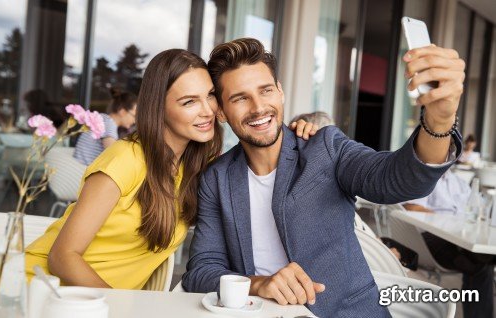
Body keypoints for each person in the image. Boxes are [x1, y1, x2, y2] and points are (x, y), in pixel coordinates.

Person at [182, 38, 465, 317]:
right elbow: (202, 270)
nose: (258, 107)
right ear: (220, 111)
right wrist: (260, 284)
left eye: (265, 90)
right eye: (240, 98)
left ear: (280, 92)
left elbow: (398, 179)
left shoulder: (324, 147)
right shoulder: (217, 178)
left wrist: (438, 122)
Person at [25, 49, 315, 289]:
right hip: (40, 291)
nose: (206, 111)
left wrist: (292, 136)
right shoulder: (126, 159)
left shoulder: (197, 170)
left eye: (210, 95)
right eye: (189, 101)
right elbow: (62, 257)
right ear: (159, 108)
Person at [403, 170, 494, 318]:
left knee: (483, 260)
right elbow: (412, 207)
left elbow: (479, 208)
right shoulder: (425, 177)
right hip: (429, 238)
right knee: (480, 266)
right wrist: (448, 220)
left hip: (461, 237)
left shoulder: (459, 182)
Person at [73, 88, 137, 165]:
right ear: (122, 111)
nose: (134, 121)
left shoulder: (102, 119)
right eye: (134, 116)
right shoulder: (109, 123)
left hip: (77, 167)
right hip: (82, 171)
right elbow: (114, 153)